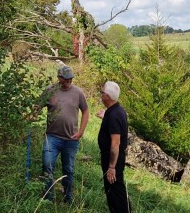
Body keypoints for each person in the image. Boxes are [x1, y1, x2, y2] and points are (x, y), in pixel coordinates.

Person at [40, 65, 89, 203]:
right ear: (59, 78)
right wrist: (32, 116)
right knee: (47, 165)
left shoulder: (78, 93)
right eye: (66, 79)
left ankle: (68, 198)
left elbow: (85, 111)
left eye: (70, 78)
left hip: (71, 139)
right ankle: (48, 198)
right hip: (52, 137)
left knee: (68, 169)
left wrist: (81, 132)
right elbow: (38, 106)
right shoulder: (50, 91)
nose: (68, 81)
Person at [98, 81, 130, 213]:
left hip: (113, 160)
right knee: (114, 190)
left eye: (102, 93)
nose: (101, 94)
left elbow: (115, 144)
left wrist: (111, 167)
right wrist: (105, 117)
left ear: (107, 96)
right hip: (114, 158)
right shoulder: (116, 110)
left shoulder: (114, 115)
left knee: (115, 191)